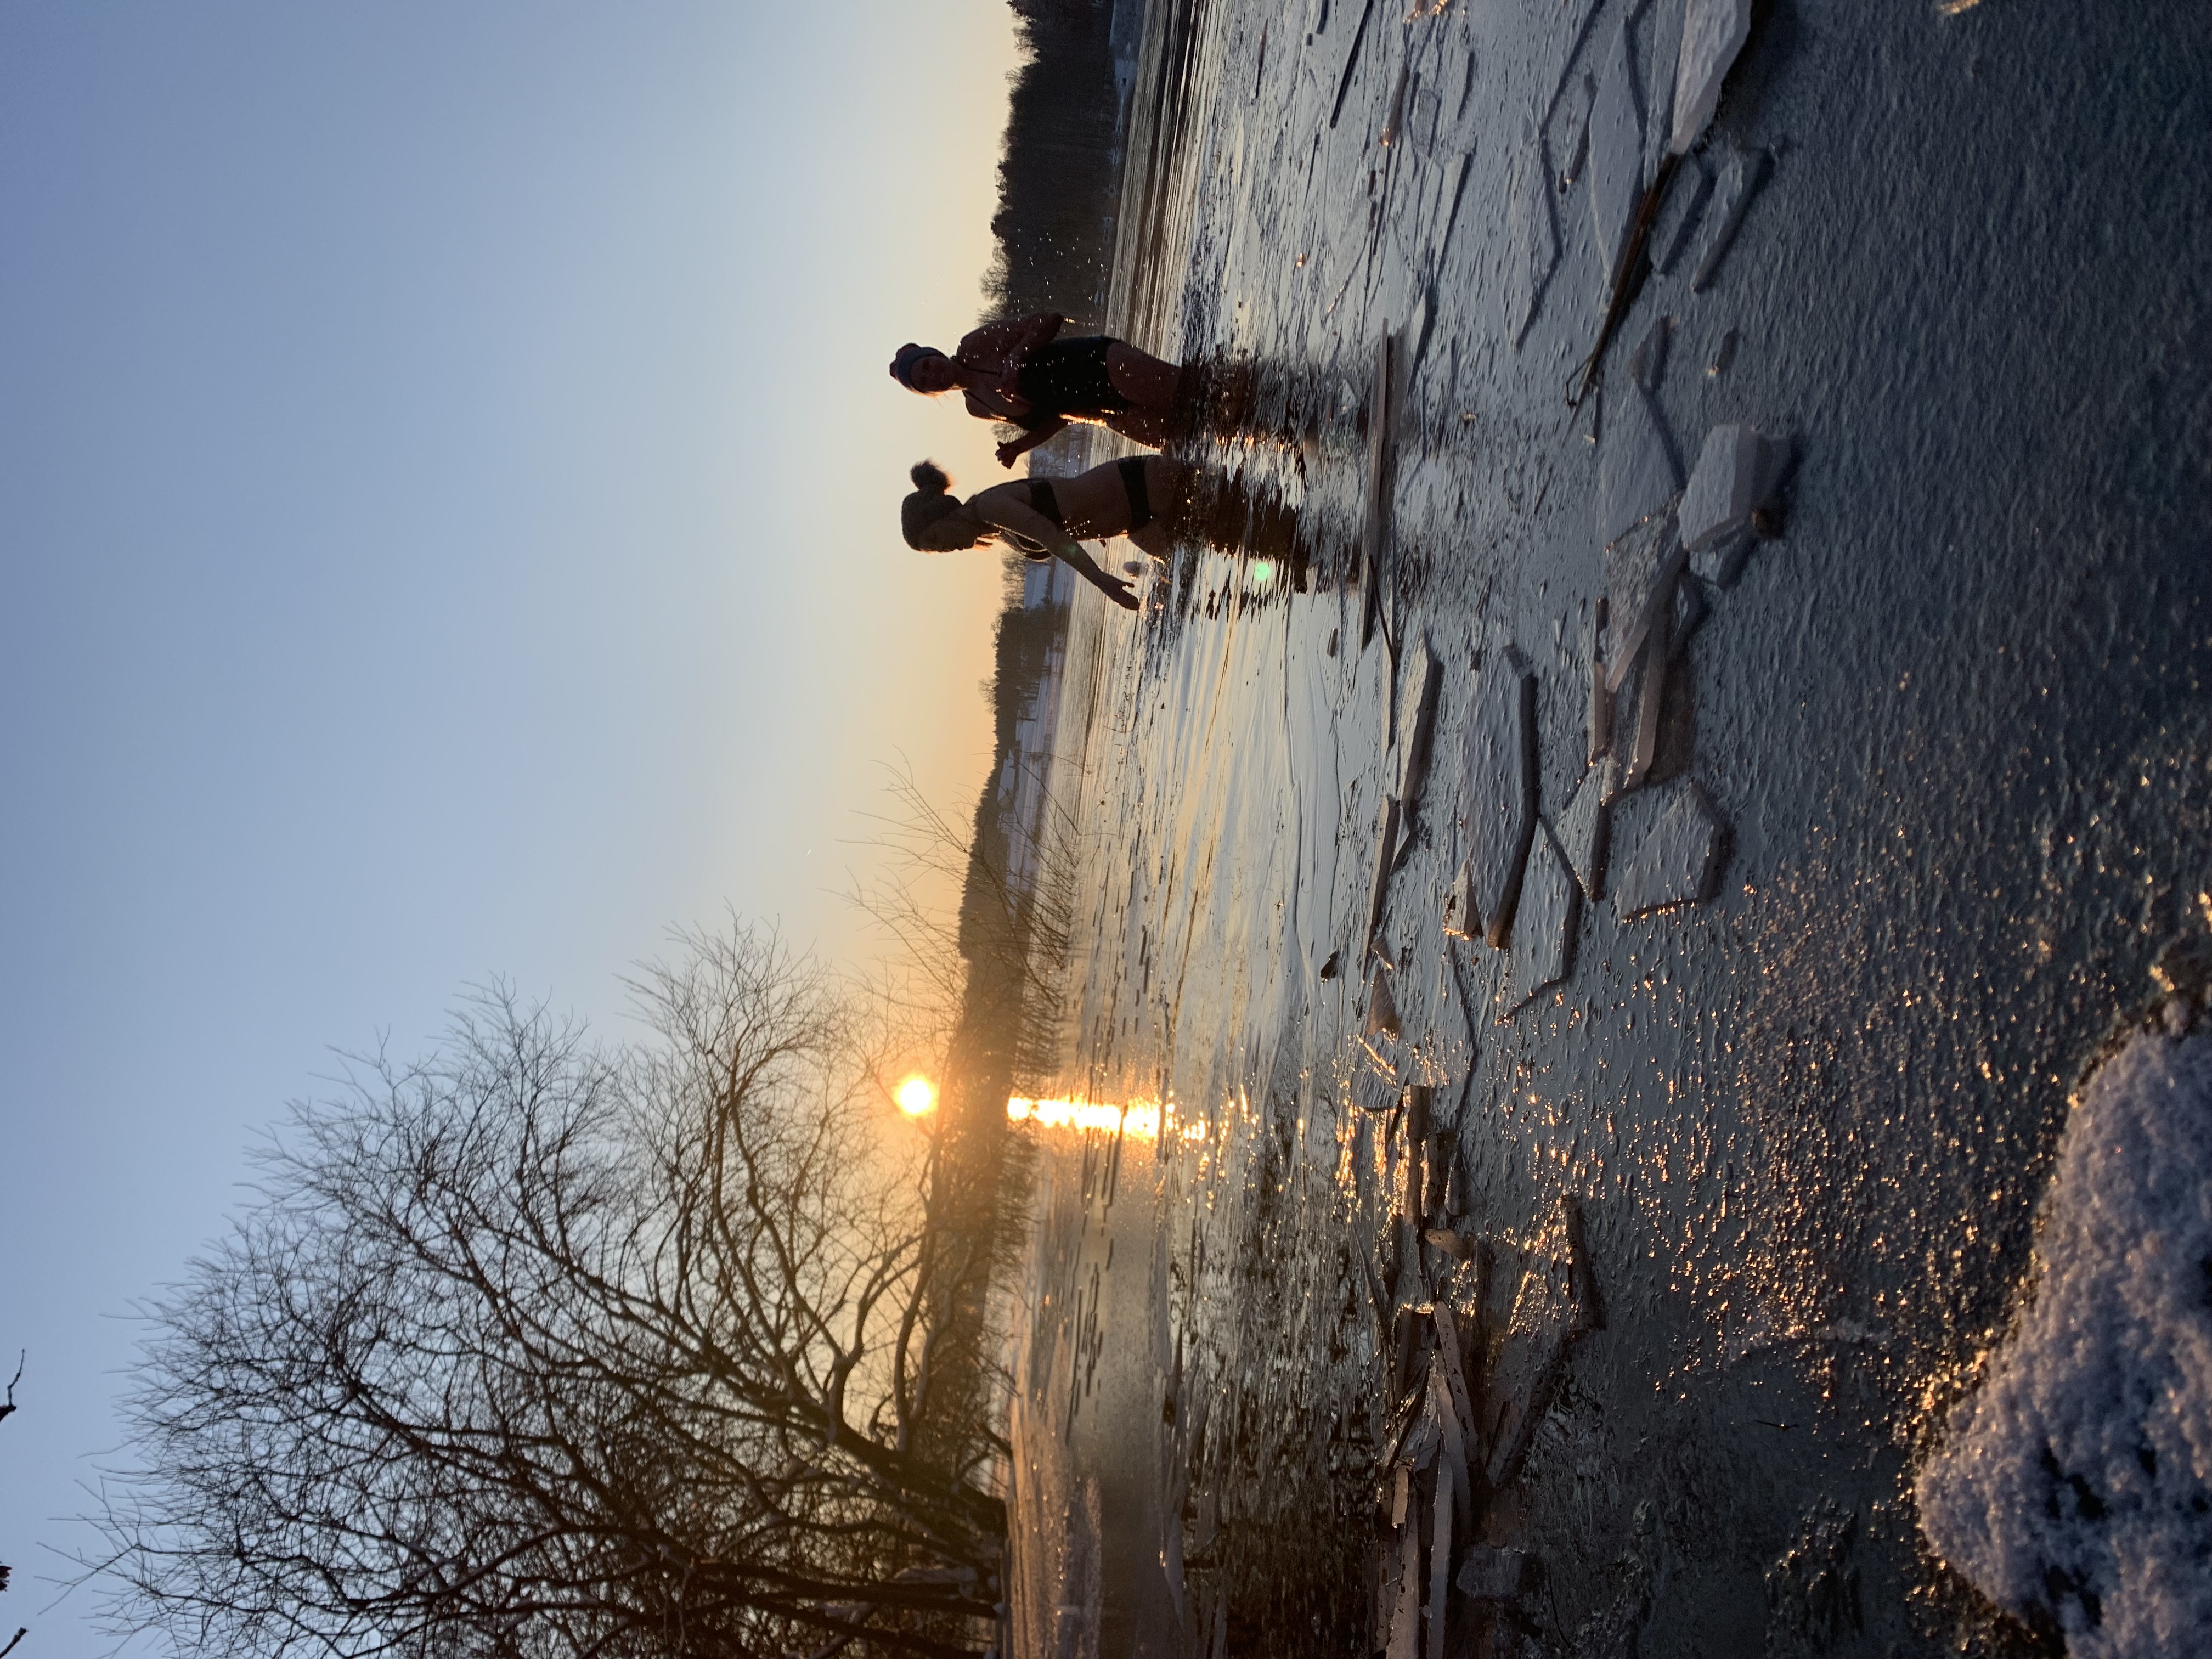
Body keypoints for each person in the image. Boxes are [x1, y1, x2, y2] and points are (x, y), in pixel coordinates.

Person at [888, 313, 1187, 468]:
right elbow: (1056, 420)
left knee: (1196, 394)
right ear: (930, 393)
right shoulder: (977, 407)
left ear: (934, 354)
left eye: (926, 365)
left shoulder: (973, 347)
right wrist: (1018, 447)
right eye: (924, 382)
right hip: (1103, 414)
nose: (933, 375)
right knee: (1191, 439)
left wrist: (1017, 356)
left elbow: (1050, 319)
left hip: (1101, 365)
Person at [898, 455, 1189, 611]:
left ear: (944, 512)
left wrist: (1102, 582)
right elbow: (1062, 511)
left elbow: (1051, 535)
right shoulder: (996, 528)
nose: (944, 549)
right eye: (935, 551)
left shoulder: (989, 507)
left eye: (936, 539)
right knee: (1197, 574)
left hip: (1138, 486)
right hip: (1135, 525)